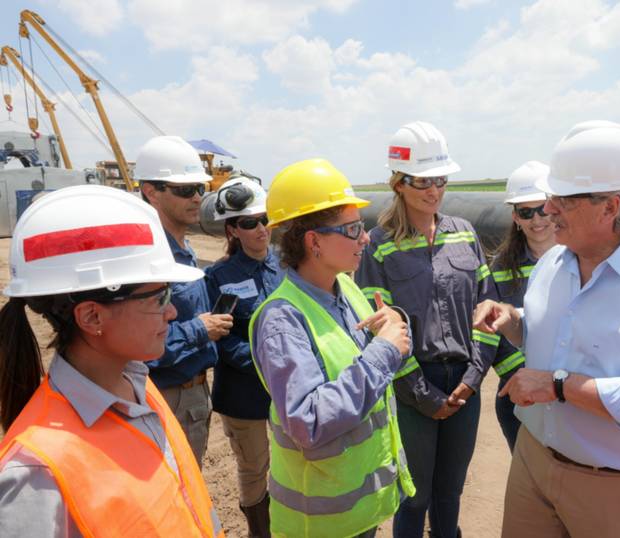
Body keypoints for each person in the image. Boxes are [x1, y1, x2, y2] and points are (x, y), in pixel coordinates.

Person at [473, 121, 620, 538]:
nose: (549, 209)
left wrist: (559, 386)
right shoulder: (552, 263)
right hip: (533, 460)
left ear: (610, 207)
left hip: (612, 485)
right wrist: (513, 321)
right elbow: (549, 333)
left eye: (563, 199)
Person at [0, 185, 223, 537]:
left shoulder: (138, 385)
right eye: (160, 296)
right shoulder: (34, 477)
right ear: (92, 317)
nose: (172, 312)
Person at [248, 158, 415, 538]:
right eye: (352, 229)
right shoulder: (282, 321)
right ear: (314, 242)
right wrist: (383, 352)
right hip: (322, 523)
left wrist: (392, 323)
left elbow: (369, 356)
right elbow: (307, 422)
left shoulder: (346, 288)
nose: (365, 238)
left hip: (359, 510)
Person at [355, 121, 499, 538]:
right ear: (399, 183)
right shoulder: (379, 244)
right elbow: (377, 331)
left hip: (465, 383)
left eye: (440, 179)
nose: (434, 190)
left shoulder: (464, 234)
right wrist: (422, 393)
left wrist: (473, 378)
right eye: (422, 181)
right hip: (412, 386)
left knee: (450, 494)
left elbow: (487, 311)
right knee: (414, 496)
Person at [136, 135, 233, 466]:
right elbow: (140, 344)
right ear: (151, 192)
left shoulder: (183, 249)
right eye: (185, 189)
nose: (197, 197)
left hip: (194, 392)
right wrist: (200, 330)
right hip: (167, 395)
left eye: (199, 188)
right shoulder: (149, 258)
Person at [205, 177, 281, 537]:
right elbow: (220, 339)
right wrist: (265, 364)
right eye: (250, 223)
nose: (262, 229)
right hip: (243, 393)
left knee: (293, 461)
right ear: (233, 230)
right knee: (254, 468)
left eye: (265, 219)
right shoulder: (219, 277)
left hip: (287, 389)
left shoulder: (287, 265)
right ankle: (259, 531)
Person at [489, 161, 555, 452]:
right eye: (526, 212)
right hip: (518, 394)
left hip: (567, 391)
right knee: (528, 473)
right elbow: (493, 333)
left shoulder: (581, 260)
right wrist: (522, 377)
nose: (536, 219)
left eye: (542, 209)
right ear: (515, 217)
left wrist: (557, 383)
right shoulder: (501, 267)